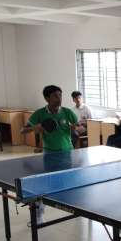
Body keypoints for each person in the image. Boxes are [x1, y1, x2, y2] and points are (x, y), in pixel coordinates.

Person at [21, 85, 80, 223]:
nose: (59, 98)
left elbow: (80, 127)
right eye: (55, 96)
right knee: (44, 185)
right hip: (50, 154)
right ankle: (39, 214)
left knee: (71, 182)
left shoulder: (67, 112)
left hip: (67, 153)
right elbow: (22, 131)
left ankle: (77, 208)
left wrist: (77, 128)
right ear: (47, 98)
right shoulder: (40, 113)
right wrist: (36, 127)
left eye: (60, 95)